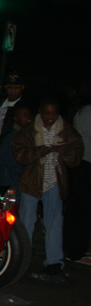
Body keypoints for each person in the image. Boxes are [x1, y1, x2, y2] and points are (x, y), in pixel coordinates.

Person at [12, 97, 83, 278]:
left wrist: (64, 152)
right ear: (40, 113)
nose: (50, 117)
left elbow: (77, 151)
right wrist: (40, 151)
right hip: (32, 181)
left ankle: (54, 261)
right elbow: (19, 153)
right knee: (26, 221)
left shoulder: (66, 129)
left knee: (54, 222)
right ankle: (21, 259)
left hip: (54, 181)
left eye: (54, 113)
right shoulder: (30, 129)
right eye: (46, 113)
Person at [63, 82, 91, 262]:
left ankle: (75, 249)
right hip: (84, 165)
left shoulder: (83, 111)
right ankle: (75, 251)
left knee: (79, 209)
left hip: (82, 165)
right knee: (81, 210)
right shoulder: (87, 112)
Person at [0, 102, 32, 202]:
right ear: (16, 118)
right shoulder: (13, 137)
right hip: (11, 182)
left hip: (17, 181)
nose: (28, 118)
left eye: (29, 115)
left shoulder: (26, 135)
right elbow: (11, 162)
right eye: (24, 115)